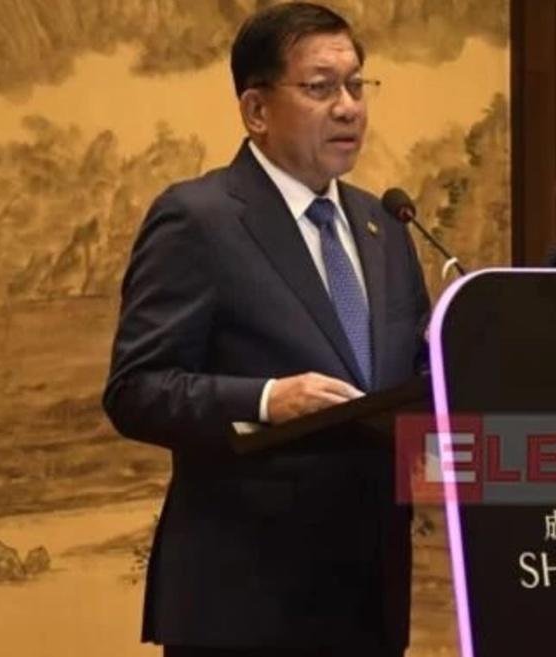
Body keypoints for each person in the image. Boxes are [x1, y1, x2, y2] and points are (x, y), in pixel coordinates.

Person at [102, 3, 431, 656]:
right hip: (244, 604)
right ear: (256, 109)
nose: (349, 108)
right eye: (321, 87)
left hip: (368, 600)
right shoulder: (199, 219)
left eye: (356, 85)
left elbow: (412, 383)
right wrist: (265, 399)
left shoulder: (384, 225)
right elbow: (135, 389)